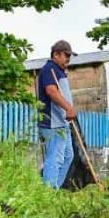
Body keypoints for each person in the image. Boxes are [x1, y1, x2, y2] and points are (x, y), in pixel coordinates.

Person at [36, 40, 77, 188]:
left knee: (68, 156)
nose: (68, 59)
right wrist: (68, 108)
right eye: (66, 55)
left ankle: (53, 190)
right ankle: (48, 194)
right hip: (53, 124)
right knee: (55, 158)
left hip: (62, 122)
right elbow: (51, 91)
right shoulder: (49, 69)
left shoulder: (59, 71)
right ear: (56, 54)